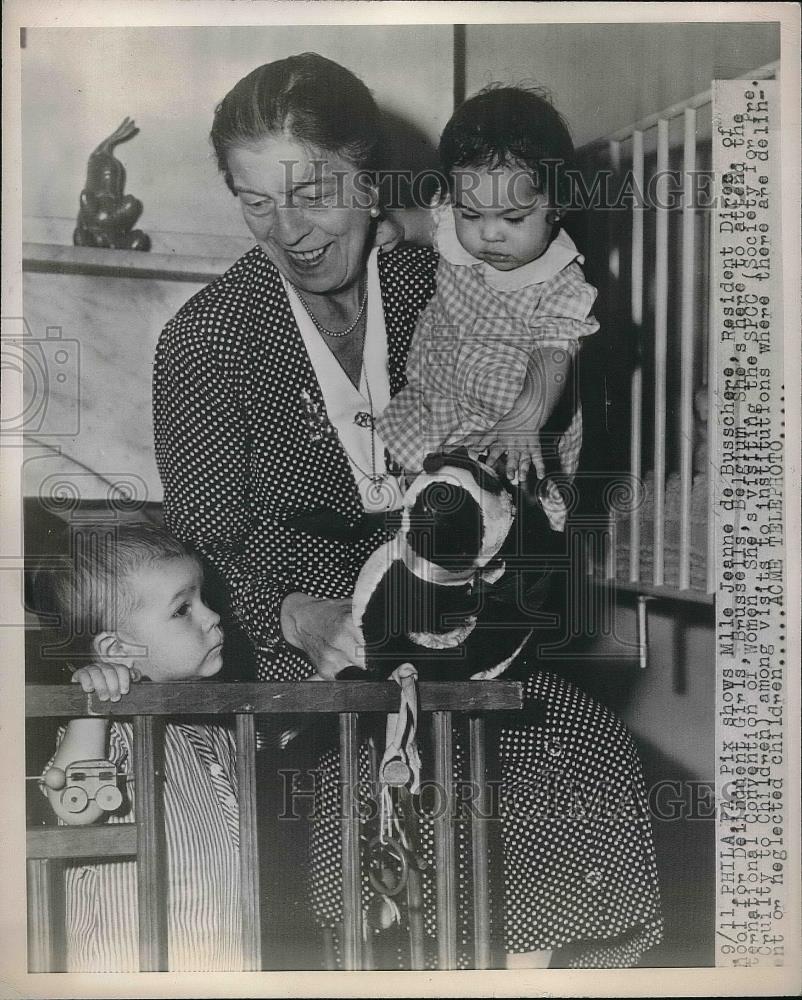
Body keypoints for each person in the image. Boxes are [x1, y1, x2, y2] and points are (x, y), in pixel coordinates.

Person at [153, 52, 662, 967]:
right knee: (377, 798)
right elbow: (205, 534)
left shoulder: (448, 281)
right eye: (254, 199)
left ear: (375, 181)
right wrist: (289, 611)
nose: (289, 230)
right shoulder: (207, 337)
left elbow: (549, 427)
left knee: (575, 741)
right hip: (317, 682)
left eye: (315, 193)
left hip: (469, 638)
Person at [377, 84, 597, 534]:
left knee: (493, 520)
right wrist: (391, 228)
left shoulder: (559, 281)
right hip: (439, 396)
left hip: (510, 420)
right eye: (471, 214)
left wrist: (525, 417)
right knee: (419, 497)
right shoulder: (454, 228)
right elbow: (423, 222)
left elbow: (554, 354)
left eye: (512, 219)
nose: (489, 234)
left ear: (558, 205)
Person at [37, 522, 242, 972]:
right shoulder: (111, 731)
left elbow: (289, 731)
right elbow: (75, 809)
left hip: (218, 951)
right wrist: (91, 707)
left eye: (203, 599)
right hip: (126, 959)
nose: (212, 616)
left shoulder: (203, 725)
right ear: (116, 650)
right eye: (182, 609)